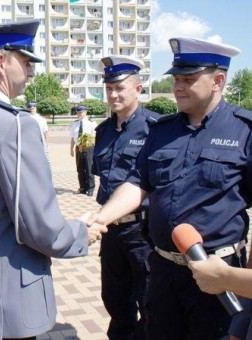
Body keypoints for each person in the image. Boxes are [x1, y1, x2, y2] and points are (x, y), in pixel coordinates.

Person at [0, 20, 104, 340]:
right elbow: (42, 230)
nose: (31, 71)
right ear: (1, 62)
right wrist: (83, 231)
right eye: (26, 61)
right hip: (6, 309)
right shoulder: (15, 126)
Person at [87, 36, 252, 339]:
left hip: (216, 271)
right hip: (163, 269)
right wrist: (101, 218)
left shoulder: (245, 131)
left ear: (217, 80)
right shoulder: (162, 131)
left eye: (188, 79)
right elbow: (138, 184)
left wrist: (245, 284)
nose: (177, 87)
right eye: (176, 79)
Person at [92, 55, 160, 340]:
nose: (113, 94)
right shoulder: (103, 132)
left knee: (150, 302)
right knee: (115, 300)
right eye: (109, 88)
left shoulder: (156, 129)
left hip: (142, 232)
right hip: (111, 232)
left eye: (120, 88)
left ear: (138, 89)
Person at [70, 105, 97, 196]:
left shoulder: (91, 123)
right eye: (78, 112)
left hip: (88, 148)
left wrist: (89, 144)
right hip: (78, 148)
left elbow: (95, 136)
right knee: (80, 169)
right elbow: (73, 138)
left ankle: (90, 188)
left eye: (81, 112)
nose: (80, 114)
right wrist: (71, 149)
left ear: (86, 112)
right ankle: (82, 187)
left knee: (89, 168)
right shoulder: (75, 124)